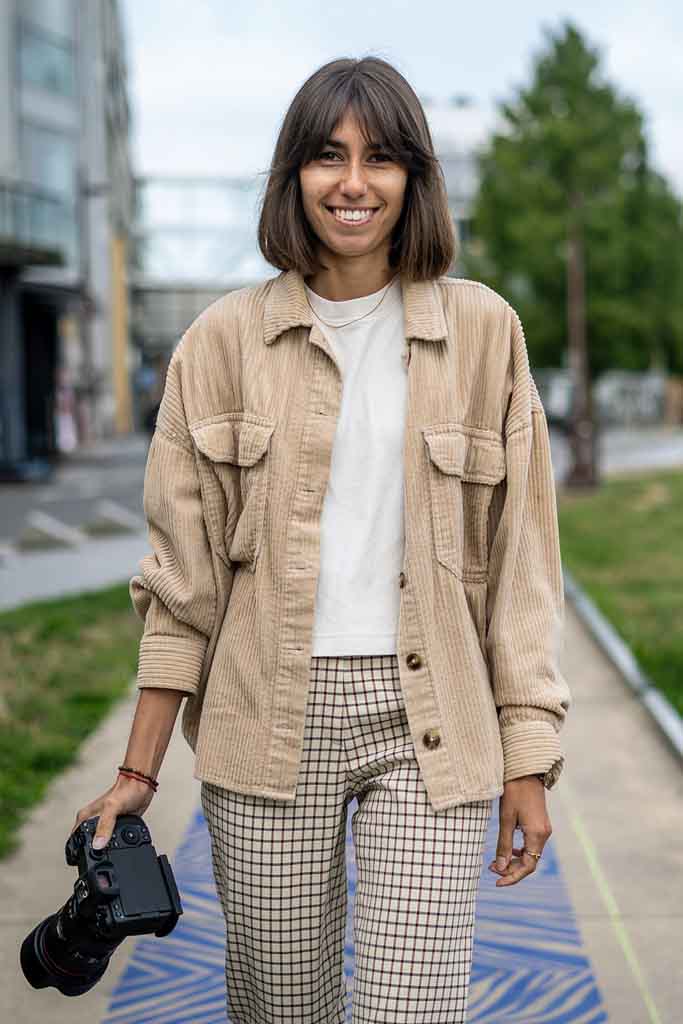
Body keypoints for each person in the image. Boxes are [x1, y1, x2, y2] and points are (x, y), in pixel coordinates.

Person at [70, 56, 571, 1023]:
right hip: (264, 721)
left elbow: (523, 572)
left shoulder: (483, 332)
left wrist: (527, 757)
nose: (353, 183)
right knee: (281, 1010)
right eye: (327, 157)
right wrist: (139, 772)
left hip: (431, 721)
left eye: (380, 158)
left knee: (408, 1010)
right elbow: (183, 584)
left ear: (412, 178)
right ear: (291, 176)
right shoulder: (219, 343)